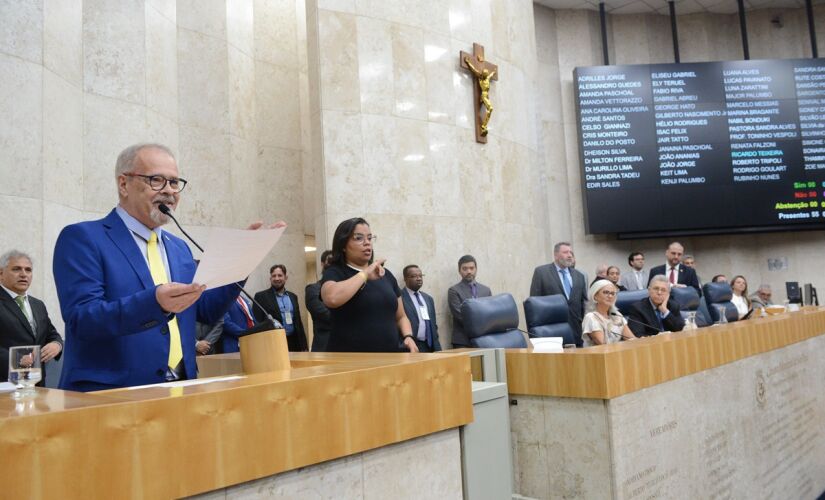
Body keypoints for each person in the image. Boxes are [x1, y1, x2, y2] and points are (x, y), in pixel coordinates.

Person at [53, 143, 278, 391]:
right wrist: (155, 303)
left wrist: (239, 263)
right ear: (123, 184)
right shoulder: (84, 238)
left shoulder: (178, 247)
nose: (169, 191)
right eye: (157, 180)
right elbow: (82, 319)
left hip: (180, 389)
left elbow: (204, 309)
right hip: (111, 396)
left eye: (174, 182)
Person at [320, 218, 418, 353]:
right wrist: (365, 273)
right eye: (359, 238)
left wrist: (408, 336)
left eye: (370, 238)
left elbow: (401, 316)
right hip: (349, 360)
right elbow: (332, 298)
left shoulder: (386, 275)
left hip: (389, 358)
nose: (367, 243)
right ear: (343, 245)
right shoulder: (335, 272)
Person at [0, 250, 63, 384]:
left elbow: (52, 334)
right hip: (5, 383)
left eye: (28, 270)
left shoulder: (38, 304)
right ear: (1, 274)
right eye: (16, 269)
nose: (23, 274)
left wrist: (56, 345)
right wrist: (16, 359)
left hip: (38, 384)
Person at [530, 242, 588, 347]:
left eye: (571, 252)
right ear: (556, 255)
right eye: (565, 252)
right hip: (550, 331)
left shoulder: (579, 276)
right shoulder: (541, 272)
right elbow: (534, 304)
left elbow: (584, 303)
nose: (570, 255)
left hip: (575, 331)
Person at [253, 264, 308, 352]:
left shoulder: (293, 296)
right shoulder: (261, 296)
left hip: (294, 343)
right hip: (272, 344)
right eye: (274, 276)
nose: (277, 278)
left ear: (286, 278)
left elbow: (298, 323)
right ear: (270, 279)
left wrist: (304, 346)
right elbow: (257, 323)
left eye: (280, 275)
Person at [447, 255, 492, 348]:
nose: (469, 271)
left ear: (476, 269)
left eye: (472, 268)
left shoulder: (486, 290)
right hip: (463, 341)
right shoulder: (454, 291)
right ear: (459, 271)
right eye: (465, 269)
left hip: (485, 339)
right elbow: (459, 315)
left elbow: (490, 313)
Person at [581, 280, 636, 347]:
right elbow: (603, 345)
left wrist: (641, 340)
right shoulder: (591, 317)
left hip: (616, 354)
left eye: (613, 293)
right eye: (606, 292)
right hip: (599, 356)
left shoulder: (617, 315)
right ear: (595, 296)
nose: (610, 296)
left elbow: (631, 339)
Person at [401, 265, 442, 352]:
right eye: (414, 276)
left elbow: (434, 325)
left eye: (420, 276)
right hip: (411, 346)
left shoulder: (428, 298)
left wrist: (437, 348)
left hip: (430, 346)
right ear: (405, 279)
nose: (419, 278)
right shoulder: (400, 298)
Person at [305, 250, 333, 352]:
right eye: (330, 260)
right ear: (322, 263)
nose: (333, 265)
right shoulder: (313, 289)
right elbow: (324, 314)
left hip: (346, 348)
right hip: (324, 347)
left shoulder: (345, 288)